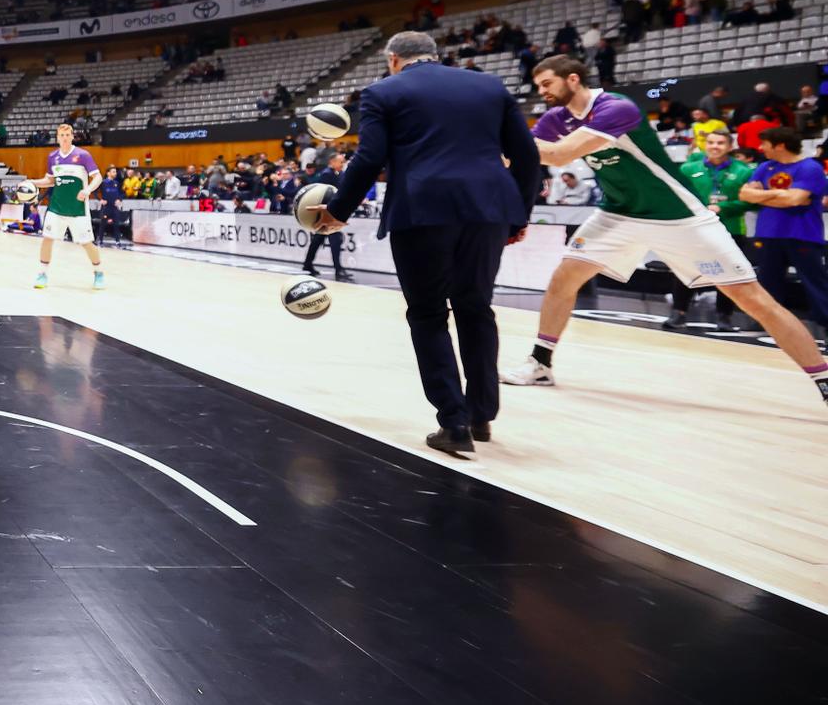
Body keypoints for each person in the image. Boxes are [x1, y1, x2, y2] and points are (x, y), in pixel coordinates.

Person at [503, 58, 827, 407]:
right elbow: (524, 157)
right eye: (538, 87)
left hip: (679, 216)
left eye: (547, 84)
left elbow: (560, 153)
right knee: (563, 279)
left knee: (754, 300)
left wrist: (498, 139)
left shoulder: (616, 107)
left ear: (572, 79)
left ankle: (822, 377)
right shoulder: (557, 119)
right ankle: (541, 363)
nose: (542, 93)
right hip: (618, 214)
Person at [315, 31, 539, 458]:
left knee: (429, 314)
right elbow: (527, 155)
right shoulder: (490, 85)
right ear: (436, 56)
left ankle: (453, 422)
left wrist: (339, 210)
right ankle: (481, 414)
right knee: (476, 308)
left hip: (422, 211)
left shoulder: (383, 92)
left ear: (394, 59)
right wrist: (519, 213)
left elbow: (369, 157)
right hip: (487, 209)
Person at [740, 127, 828, 338]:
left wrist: (765, 195)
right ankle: (767, 323)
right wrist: (782, 193)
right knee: (768, 281)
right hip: (769, 232)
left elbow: (794, 200)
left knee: (814, 281)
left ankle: (825, 323)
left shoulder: (810, 167)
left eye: (765, 144)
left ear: (780, 145)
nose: (761, 149)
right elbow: (745, 194)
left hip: (803, 233)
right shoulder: (765, 166)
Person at [671, 128, 754, 331]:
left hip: (731, 229)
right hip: (695, 229)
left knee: (729, 274)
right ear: (704, 145)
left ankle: (724, 316)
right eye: (711, 143)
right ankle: (678, 313)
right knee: (685, 271)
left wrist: (723, 207)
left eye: (720, 143)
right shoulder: (688, 169)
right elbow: (676, 195)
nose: (715, 147)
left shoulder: (744, 171)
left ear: (730, 146)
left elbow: (753, 202)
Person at [31, 123, 104, 290]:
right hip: (56, 208)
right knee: (47, 239)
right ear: (57, 138)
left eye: (67, 135)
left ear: (72, 136)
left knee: (86, 243)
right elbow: (50, 181)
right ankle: (42, 274)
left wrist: (87, 190)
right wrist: (33, 182)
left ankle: (98, 272)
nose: (64, 138)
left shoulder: (83, 155)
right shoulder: (52, 157)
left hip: (78, 209)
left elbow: (98, 177)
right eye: (61, 135)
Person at [300, 152, 354, 281]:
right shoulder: (326, 174)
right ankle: (338, 269)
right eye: (340, 161)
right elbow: (323, 195)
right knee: (335, 239)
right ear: (332, 162)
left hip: (333, 211)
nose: (342, 164)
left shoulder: (339, 174)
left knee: (318, 239)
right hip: (327, 212)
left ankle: (308, 264)